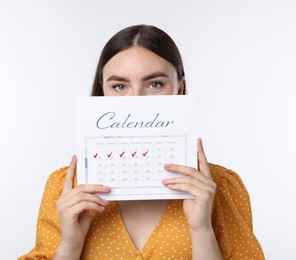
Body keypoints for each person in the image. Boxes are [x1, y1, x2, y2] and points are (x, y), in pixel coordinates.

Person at [19, 24, 265, 260]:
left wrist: (202, 230)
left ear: (180, 88)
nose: (136, 100)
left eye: (155, 84)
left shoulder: (219, 186)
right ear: (102, 91)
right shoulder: (66, 188)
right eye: (119, 86)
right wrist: (70, 245)